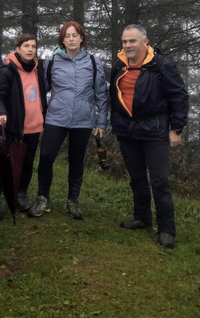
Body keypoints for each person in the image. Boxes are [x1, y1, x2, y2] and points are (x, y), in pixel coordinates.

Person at [110, 25, 188, 249]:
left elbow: (179, 97)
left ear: (145, 42)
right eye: (125, 42)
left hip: (155, 129)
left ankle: (166, 230)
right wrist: (117, 128)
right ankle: (142, 218)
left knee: (160, 181)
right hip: (127, 130)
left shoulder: (162, 66)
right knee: (136, 177)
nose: (127, 46)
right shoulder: (119, 65)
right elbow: (114, 99)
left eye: (132, 41)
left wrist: (176, 129)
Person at [29, 22, 108, 219]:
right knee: (46, 156)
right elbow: (40, 90)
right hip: (56, 117)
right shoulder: (52, 61)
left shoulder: (92, 61)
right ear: (62, 40)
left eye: (75, 35)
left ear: (82, 38)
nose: (71, 39)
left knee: (76, 160)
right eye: (67, 36)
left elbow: (101, 94)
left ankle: (73, 200)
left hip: (83, 119)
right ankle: (42, 198)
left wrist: (102, 122)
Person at [0, 33, 47, 219]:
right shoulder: (7, 70)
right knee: (6, 163)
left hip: (35, 125)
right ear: (18, 49)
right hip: (14, 125)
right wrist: (0, 113)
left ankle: (21, 194)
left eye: (33, 46)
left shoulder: (39, 68)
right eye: (26, 46)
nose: (30, 49)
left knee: (27, 163)